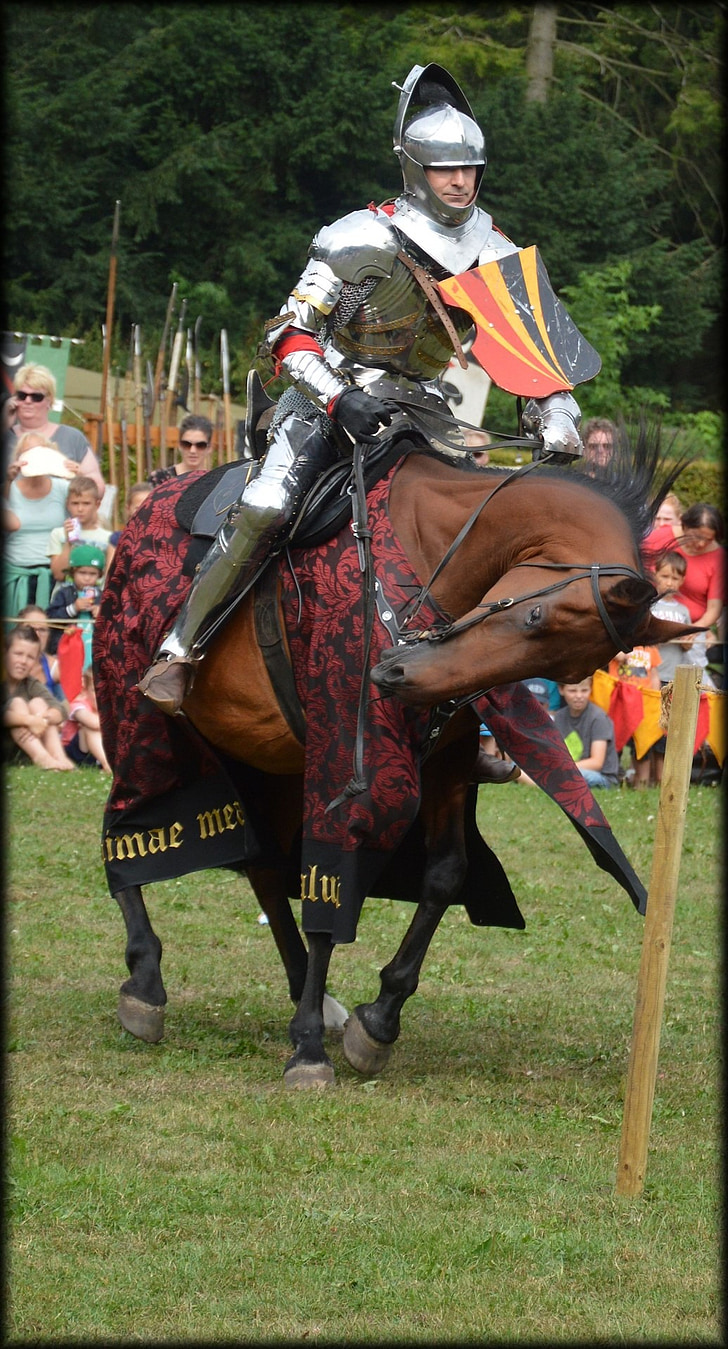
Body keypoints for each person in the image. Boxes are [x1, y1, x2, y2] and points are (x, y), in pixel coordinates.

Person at [140, 62, 590, 716]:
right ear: (414, 168)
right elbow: (290, 335)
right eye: (445, 168)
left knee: (485, 533)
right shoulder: (359, 238)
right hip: (331, 399)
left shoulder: (496, 253)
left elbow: (536, 357)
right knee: (266, 505)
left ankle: (481, 711)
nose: (461, 180)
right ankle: (181, 652)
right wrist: (338, 397)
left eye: (470, 167)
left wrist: (558, 416)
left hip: (426, 411)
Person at [3, 362, 105, 496]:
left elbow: (98, 488)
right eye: (22, 395)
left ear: (49, 401)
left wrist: (79, 477)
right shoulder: (5, 435)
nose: (28, 401)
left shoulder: (72, 437)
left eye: (36, 397)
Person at [3, 432, 75, 614]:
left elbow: (91, 501)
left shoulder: (62, 487)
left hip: (54, 574)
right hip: (17, 573)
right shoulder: (8, 488)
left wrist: (77, 474)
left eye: (38, 451)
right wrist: (7, 480)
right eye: (27, 453)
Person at [3, 623, 74, 769]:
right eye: (18, 654)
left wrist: (41, 719)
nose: (23, 661)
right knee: (17, 704)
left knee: (38, 703)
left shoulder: (30, 683)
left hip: (23, 749)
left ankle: (57, 757)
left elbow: (59, 709)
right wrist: (28, 720)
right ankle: (42, 757)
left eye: (30, 657)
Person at [551, 676, 620, 789]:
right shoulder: (559, 717)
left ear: (590, 689)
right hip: (568, 770)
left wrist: (561, 769)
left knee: (573, 776)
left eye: (584, 691)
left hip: (600, 776)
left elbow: (596, 763)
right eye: (572, 691)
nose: (579, 696)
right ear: (561, 690)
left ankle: (541, 782)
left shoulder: (598, 718)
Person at [47, 543, 105, 669]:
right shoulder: (64, 592)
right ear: (73, 573)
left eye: (92, 573)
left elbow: (114, 623)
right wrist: (73, 608)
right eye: (82, 572)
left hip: (92, 649)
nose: (87, 578)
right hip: (68, 648)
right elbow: (51, 617)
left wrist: (102, 614)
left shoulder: (103, 596)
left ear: (99, 575)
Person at [47, 475, 113, 583]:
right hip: (65, 598)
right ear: (67, 504)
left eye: (86, 503)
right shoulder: (58, 534)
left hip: (96, 597)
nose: (80, 509)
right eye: (75, 503)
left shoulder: (108, 538)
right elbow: (59, 575)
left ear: (97, 504)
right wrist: (68, 542)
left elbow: (109, 577)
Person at [15, 604, 68, 706]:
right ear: (18, 630)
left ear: (48, 635)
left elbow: (75, 700)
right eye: (30, 628)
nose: (37, 635)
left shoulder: (54, 666)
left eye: (42, 630)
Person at [60, 666, 111, 771]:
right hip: (75, 751)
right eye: (94, 690)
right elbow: (93, 723)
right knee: (88, 727)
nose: (100, 695)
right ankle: (107, 764)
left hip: (97, 751)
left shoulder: (110, 707)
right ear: (85, 691)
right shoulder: (78, 705)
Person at [148, 416, 213, 486]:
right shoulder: (159, 479)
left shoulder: (214, 482)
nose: (192, 450)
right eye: (186, 444)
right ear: (179, 445)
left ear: (209, 448)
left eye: (200, 445)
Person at [109, 481, 153, 545]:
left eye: (148, 508)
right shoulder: (119, 538)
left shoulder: (160, 539)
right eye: (138, 508)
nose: (144, 512)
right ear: (128, 509)